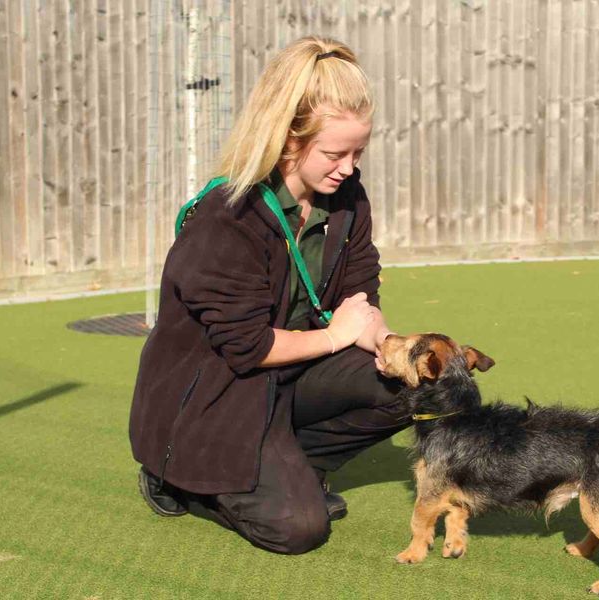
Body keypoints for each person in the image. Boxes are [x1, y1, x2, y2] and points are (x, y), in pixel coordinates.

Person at [129, 36, 411, 555]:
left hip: (290, 376)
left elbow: (359, 297)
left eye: (358, 151)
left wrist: (394, 347)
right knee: (298, 529)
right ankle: (179, 479)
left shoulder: (346, 197)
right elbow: (248, 348)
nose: (349, 167)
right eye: (334, 152)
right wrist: (334, 337)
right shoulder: (226, 217)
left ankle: (293, 467)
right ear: (286, 140)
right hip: (218, 395)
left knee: (418, 383)